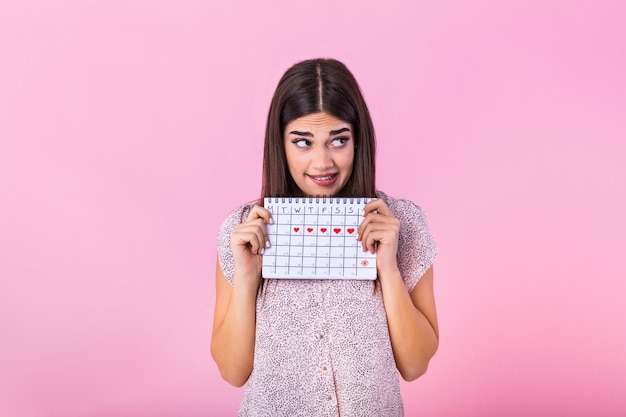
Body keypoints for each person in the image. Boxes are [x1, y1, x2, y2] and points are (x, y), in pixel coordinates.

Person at [211, 58, 439, 417]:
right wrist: (247, 278)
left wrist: (389, 270)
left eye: (338, 140)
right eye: (303, 142)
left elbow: (415, 365)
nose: (322, 163)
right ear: (280, 144)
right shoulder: (242, 230)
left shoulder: (402, 222)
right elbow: (232, 371)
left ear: (357, 139)